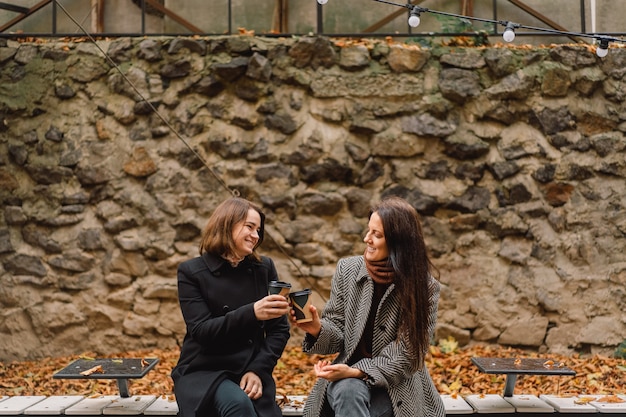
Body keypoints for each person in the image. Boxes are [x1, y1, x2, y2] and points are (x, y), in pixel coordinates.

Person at [290, 196, 445, 417]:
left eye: (377, 234)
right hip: (346, 380)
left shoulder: (424, 287)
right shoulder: (347, 269)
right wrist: (316, 329)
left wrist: (358, 371)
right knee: (348, 390)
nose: (366, 239)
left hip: (396, 385)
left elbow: (410, 354)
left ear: (398, 242)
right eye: (368, 230)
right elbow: (337, 330)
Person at [172, 196, 291, 417]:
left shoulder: (263, 268)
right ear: (227, 225)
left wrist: (258, 369)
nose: (256, 236)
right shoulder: (191, 272)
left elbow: (279, 329)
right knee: (238, 404)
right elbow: (201, 331)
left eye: (258, 230)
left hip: (251, 368)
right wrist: (252, 312)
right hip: (204, 370)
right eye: (250, 227)